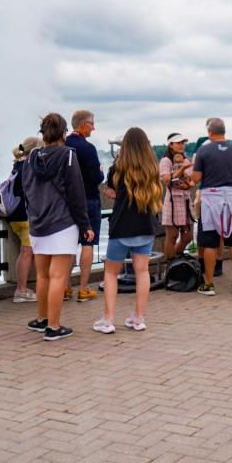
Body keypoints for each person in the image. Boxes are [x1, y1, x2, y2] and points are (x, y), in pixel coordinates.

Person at [22, 113, 92, 341]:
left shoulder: (31, 157)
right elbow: (76, 193)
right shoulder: (68, 155)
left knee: (42, 275)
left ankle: (42, 319)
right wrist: (85, 225)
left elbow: (25, 189)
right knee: (58, 276)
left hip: (37, 222)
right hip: (62, 222)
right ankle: (54, 326)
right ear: (63, 133)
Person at [93, 127, 162, 334]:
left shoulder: (118, 168)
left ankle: (108, 319)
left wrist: (113, 193)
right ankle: (138, 318)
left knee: (111, 273)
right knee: (142, 272)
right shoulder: (152, 168)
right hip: (146, 226)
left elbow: (114, 189)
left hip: (122, 226)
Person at [191, 118, 232, 296]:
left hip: (211, 197)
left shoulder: (204, 150)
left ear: (209, 132)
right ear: (224, 131)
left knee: (209, 241)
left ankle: (209, 284)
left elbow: (196, 178)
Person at [64, 110, 105, 302]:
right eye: (91, 124)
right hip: (88, 200)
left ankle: (64, 287)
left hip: (67, 203)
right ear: (82, 125)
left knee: (69, 245)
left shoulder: (63, 145)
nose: (94, 127)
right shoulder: (88, 148)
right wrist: (100, 171)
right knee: (88, 243)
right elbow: (97, 178)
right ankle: (83, 288)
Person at [9, 137, 40, 303]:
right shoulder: (30, 166)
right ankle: (21, 290)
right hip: (26, 216)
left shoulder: (17, 166)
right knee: (27, 252)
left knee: (27, 252)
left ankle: (24, 288)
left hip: (15, 215)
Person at [159, 133, 195, 261]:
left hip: (185, 199)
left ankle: (177, 257)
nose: (182, 145)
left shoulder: (186, 159)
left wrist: (189, 185)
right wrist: (182, 169)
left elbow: (193, 179)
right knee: (172, 235)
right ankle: (171, 263)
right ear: (171, 145)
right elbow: (167, 180)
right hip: (173, 200)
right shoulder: (166, 160)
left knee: (188, 236)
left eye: (183, 143)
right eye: (178, 143)